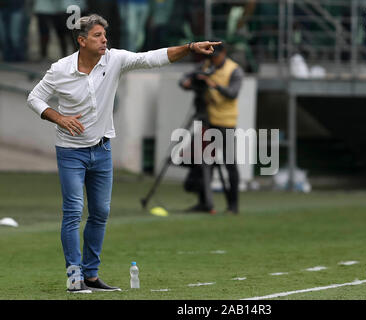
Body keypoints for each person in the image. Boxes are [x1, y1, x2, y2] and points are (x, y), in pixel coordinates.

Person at [27, 13, 221, 293]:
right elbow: (34, 97)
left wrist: (189, 48)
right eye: (97, 35)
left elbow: (152, 58)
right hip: (70, 153)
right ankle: (74, 277)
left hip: (102, 150)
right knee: (73, 213)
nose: (104, 39)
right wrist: (58, 117)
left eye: (104, 35)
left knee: (101, 212)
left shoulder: (114, 59)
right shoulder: (60, 69)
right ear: (81, 41)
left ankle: (91, 276)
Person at [180, 42, 244, 215]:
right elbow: (186, 78)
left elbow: (233, 93)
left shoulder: (234, 70)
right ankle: (204, 202)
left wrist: (212, 84)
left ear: (223, 54)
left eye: (215, 57)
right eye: (210, 57)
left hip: (226, 123)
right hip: (207, 120)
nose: (212, 61)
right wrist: (187, 82)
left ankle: (233, 206)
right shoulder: (206, 65)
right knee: (201, 160)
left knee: (230, 164)